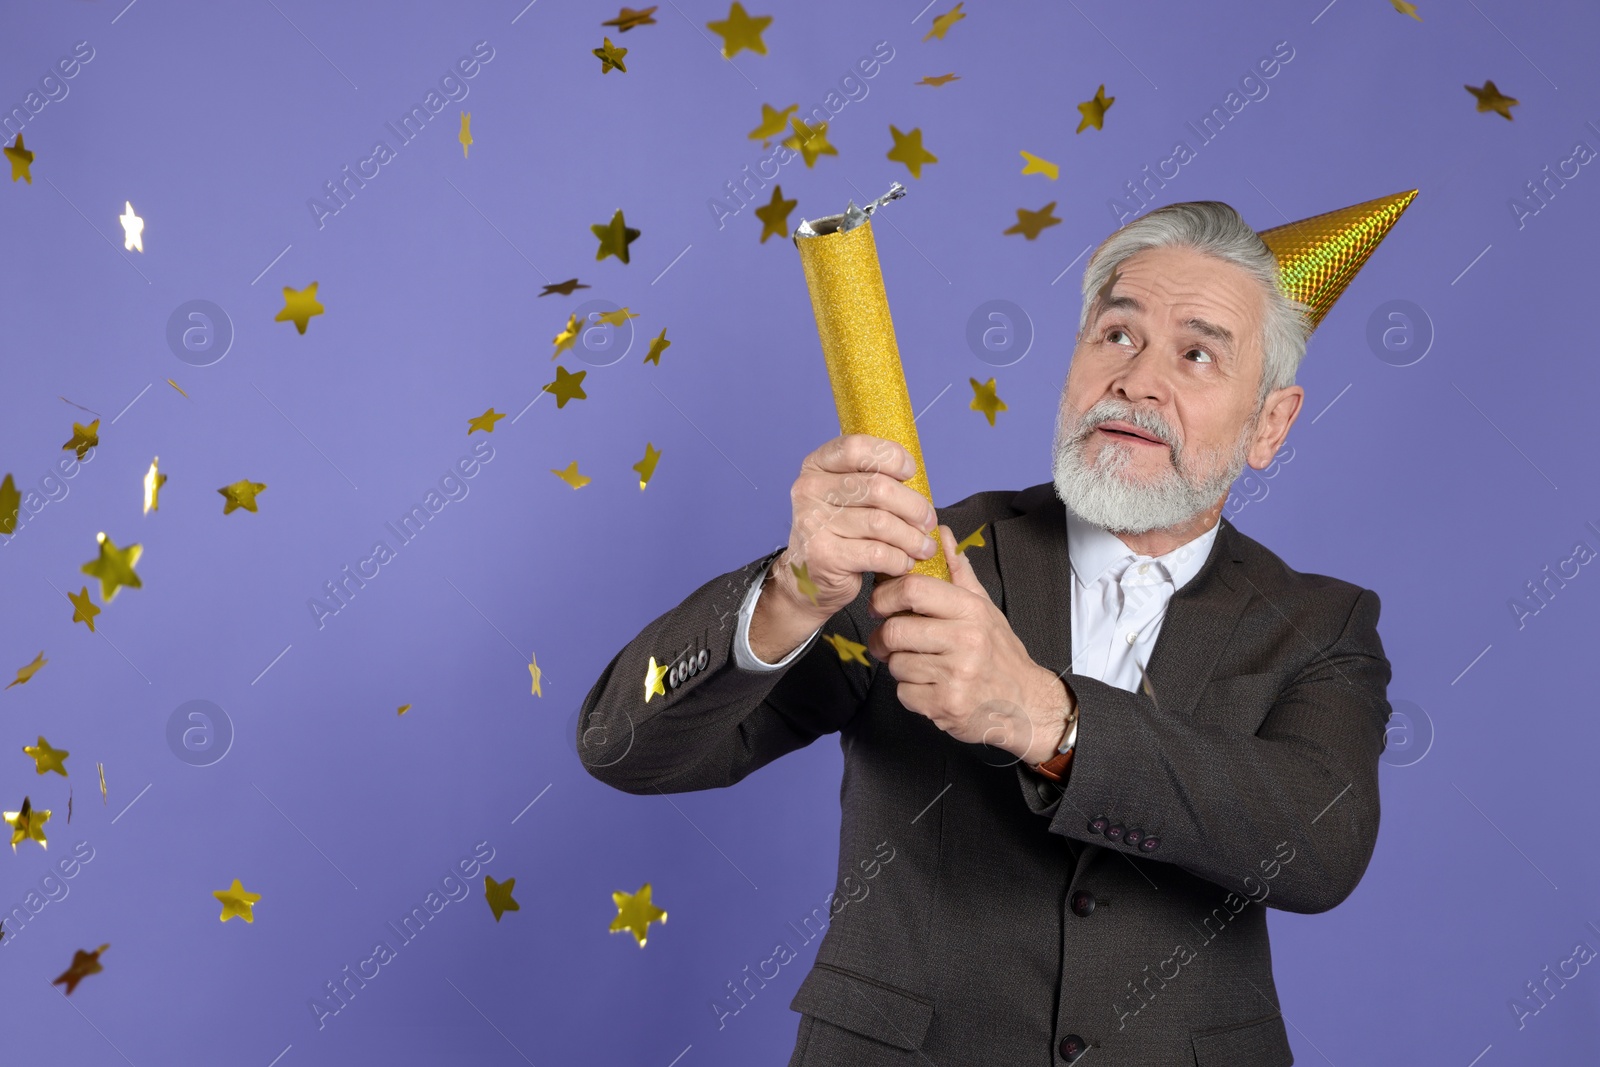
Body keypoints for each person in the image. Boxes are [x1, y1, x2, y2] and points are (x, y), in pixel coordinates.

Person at [577, 200, 1393, 1066]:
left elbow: (1318, 848)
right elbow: (625, 748)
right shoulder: (919, 557)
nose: (1137, 380)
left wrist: (1047, 718)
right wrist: (791, 591)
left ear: (1270, 422)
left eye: (1197, 354)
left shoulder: (1320, 623)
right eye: (1116, 335)